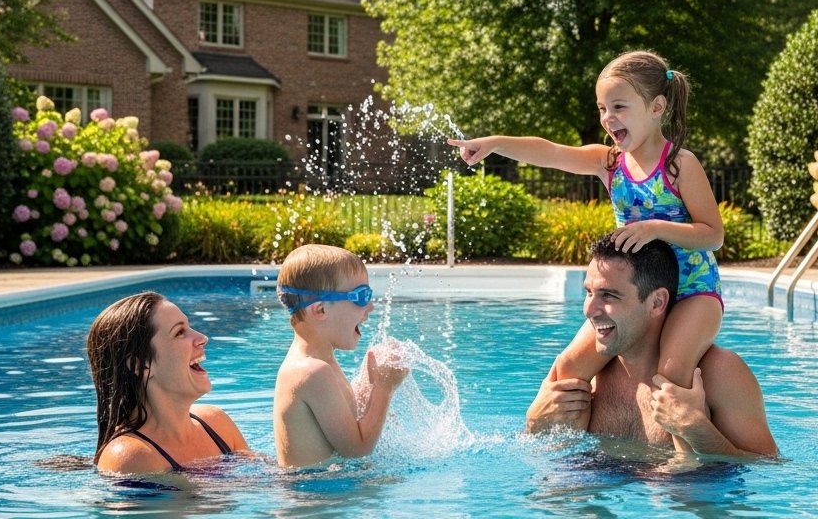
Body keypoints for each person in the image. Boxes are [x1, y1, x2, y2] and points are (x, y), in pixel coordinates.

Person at [448, 51, 724, 404]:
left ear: (656, 108)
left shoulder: (679, 165)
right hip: (633, 296)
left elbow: (712, 235)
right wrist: (495, 144)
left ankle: (683, 456)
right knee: (567, 370)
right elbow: (550, 151)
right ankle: (577, 456)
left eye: (619, 107)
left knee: (670, 374)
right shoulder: (609, 162)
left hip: (693, 291)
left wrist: (655, 228)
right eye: (602, 108)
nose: (608, 118)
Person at [525, 234, 777, 459]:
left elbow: (769, 469)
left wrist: (697, 430)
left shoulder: (719, 373)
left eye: (609, 295)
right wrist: (534, 423)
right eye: (589, 293)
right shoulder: (585, 375)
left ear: (657, 302)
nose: (588, 309)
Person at [272, 244, 410, 467]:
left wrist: (370, 380)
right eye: (361, 297)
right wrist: (384, 387)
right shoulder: (311, 371)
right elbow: (357, 449)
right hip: (316, 497)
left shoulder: (320, 360)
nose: (371, 307)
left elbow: (346, 419)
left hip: (325, 489)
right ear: (320, 310)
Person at [86, 291, 249, 474]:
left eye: (189, 327)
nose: (202, 338)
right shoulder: (129, 456)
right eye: (180, 332)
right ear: (139, 365)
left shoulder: (216, 423)